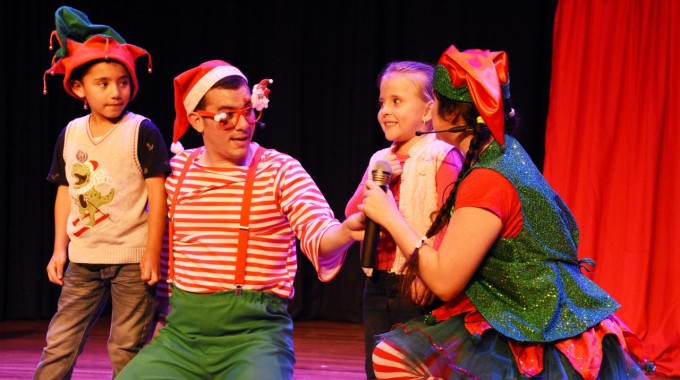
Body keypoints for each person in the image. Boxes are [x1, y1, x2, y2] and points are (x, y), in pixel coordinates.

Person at [360, 45, 655, 379]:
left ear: (455, 116)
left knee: (392, 357)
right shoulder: (506, 153)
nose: (430, 112)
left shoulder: (489, 178)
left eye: (437, 103)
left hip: (537, 325)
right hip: (530, 310)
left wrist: (390, 217)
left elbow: (443, 281)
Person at [117, 59, 365, 380]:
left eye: (248, 110)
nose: (242, 124)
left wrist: (346, 231)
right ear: (197, 120)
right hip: (181, 338)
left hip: (256, 337)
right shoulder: (174, 174)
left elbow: (319, 231)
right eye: (226, 116)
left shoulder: (280, 170)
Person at [36, 6, 170, 379]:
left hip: (132, 258)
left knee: (126, 346)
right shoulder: (72, 132)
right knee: (60, 340)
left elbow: (157, 195)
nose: (116, 92)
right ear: (79, 88)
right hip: (83, 257)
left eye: (123, 82)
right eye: (104, 83)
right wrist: (59, 248)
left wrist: (151, 254)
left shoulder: (141, 130)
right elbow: (65, 191)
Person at [344, 61, 463, 379]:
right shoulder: (379, 159)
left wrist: (432, 273)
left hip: (417, 282)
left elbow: (450, 219)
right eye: (382, 102)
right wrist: (377, 179)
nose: (385, 110)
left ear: (428, 110)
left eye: (397, 101)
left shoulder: (440, 153)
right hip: (379, 280)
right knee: (377, 366)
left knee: (417, 366)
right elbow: (353, 210)